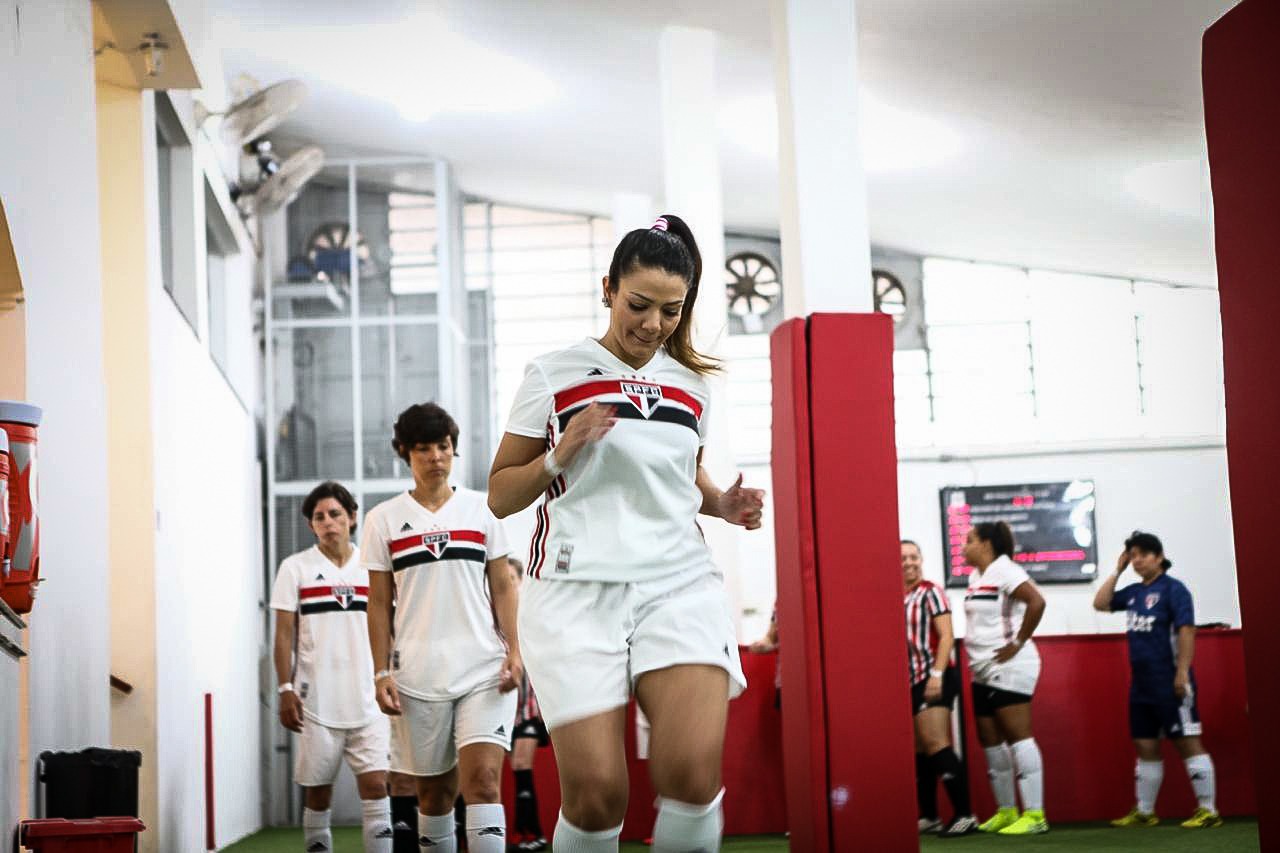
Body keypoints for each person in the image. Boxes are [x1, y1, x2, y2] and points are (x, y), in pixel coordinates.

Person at [487, 214, 765, 853]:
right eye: (639, 304)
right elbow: (502, 495)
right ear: (607, 288)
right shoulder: (553, 374)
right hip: (575, 592)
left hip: (678, 585)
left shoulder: (692, 387)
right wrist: (562, 452)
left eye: (670, 311)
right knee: (596, 794)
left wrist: (724, 503)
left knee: (692, 775)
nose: (652, 323)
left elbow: (685, 480)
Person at [364, 403, 522, 853]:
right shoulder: (382, 519)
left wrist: (514, 650)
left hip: (484, 670)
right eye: (424, 449)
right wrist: (381, 672)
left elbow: (504, 586)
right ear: (405, 454)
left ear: (454, 450)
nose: (436, 457)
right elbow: (378, 604)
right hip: (417, 675)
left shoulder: (482, 509)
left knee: (485, 782)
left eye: (443, 447)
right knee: (433, 796)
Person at [270, 481, 392, 853]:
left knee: (376, 789)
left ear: (352, 518)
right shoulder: (295, 568)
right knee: (317, 794)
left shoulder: (372, 566)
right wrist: (285, 689)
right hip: (317, 705)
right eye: (319, 517)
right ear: (311, 525)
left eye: (335, 514)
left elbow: (391, 624)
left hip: (370, 701)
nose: (328, 522)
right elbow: (283, 636)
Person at [1093, 531, 1222, 829]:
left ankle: (1208, 811)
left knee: (1188, 742)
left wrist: (1182, 673)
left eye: (1142, 554)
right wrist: (1117, 569)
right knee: (1145, 745)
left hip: (1171, 680)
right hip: (1142, 685)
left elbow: (1186, 631)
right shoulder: (1135, 591)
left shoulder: (1174, 590)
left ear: (1159, 557)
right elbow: (1100, 603)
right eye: (1132, 555)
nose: (1137, 560)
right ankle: (1145, 811)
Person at [961, 521, 1049, 836]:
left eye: (968, 540)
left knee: (1018, 737)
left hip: (1011, 666)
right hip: (981, 668)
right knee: (990, 742)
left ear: (986, 544)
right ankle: (1007, 811)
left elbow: (1037, 602)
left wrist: (1018, 643)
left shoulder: (1006, 569)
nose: (963, 546)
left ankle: (1036, 815)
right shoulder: (975, 576)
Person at [901, 540, 976, 837]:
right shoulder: (899, 597)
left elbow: (946, 637)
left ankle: (965, 813)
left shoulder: (931, 592)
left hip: (934, 677)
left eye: (913, 557)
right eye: (903, 558)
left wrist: (936, 675)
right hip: (910, 680)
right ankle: (929, 815)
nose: (909, 562)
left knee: (936, 743)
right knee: (920, 750)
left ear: (921, 559)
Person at [505, 557, 550, 852]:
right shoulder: (493, 613)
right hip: (502, 704)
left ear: (520, 579)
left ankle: (533, 835)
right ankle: (515, 835)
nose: (506, 581)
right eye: (501, 576)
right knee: (505, 769)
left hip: (530, 705)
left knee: (522, 765)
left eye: (511, 576)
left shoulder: (530, 610)